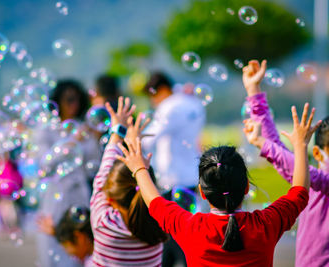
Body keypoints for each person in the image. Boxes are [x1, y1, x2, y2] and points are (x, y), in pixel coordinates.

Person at [116, 101, 318, 266]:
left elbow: (154, 202)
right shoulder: (266, 224)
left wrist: (138, 167)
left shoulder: (190, 228)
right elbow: (300, 193)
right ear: (247, 188)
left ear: (202, 193)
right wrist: (300, 146)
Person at [242, 60, 329, 266]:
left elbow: (280, 154)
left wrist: (261, 143)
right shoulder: (312, 180)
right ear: (316, 153)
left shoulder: (317, 181)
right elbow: (279, 150)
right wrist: (254, 90)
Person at [90, 97, 167, 266]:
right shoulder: (160, 224)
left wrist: (119, 131)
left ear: (110, 198)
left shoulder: (103, 223)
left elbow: (103, 174)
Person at [142, 72, 205, 266]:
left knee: (170, 237)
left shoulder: (169, 107)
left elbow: (148, 139)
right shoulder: (194, 103)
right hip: (192, 176)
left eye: (153, 96)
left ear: (161, 90)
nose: (153, 102)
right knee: (187, 234)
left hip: (172, 179)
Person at [37, 79, 100, 267]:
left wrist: (95, 139)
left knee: (79, 255)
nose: (74, 104)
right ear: (57, 102)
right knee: (54, 252)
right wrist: (72, 141)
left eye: (77, 99)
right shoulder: (46, 129)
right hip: (55, 199)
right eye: (69, 99)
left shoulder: (84, 128)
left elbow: (93, 165)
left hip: (80, 198)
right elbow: (44, 164)